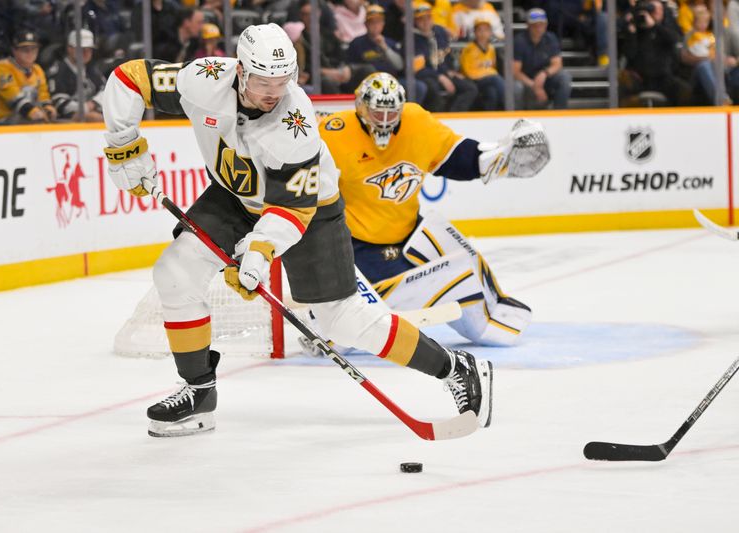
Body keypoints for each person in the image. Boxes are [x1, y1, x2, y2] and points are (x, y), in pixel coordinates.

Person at [101, 23, 493, 437]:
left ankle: (455, 367)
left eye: (282, 81)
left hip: (310, 211)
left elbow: (292, 209)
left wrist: (257, 252)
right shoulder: (206, 77)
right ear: (240, 72)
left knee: (342, 319)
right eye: (263, 81)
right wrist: (123, 146)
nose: (273, 92)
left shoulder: (294, 124)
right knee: (175, 273)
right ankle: (199, 392)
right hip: (234, 196)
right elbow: (130, 77)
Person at [319, 72, 548, 347]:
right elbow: (306, 187)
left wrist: (498, 156)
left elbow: (457, 156)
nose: (384, 120)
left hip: (408, 235)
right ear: (360, 107)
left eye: (391, 113)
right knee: (459, 279)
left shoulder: (416, 121)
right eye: (376, 112)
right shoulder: (333, 132)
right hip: (359, 251)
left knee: (463, 256)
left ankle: (495, 311)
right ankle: (336, 319)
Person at [413, 1, 478, 112]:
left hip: (443, 73)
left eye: (428, 18)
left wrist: (451, 71)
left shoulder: (440, 32)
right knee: (433, 91)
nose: (425, 22)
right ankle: (436, 120)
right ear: (416, 21)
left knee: (470, 88)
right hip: (426, 76)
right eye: (421, 19)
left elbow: (447, 55)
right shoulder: (412, 39)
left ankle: (454, 117)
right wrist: (440, 77)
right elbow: (418, 69)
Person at [0, 30, 57, 124]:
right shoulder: (2, 67)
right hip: (4, 120)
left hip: (31, 118)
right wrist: (31, 111)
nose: (30, 53)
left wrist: (48, 107)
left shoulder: (37, 69)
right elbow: (12, 97)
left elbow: (43, 94)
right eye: (25, 49)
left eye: (34, 48)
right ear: (14, 50)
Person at [513, 8, 572, 109]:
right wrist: (534, 85)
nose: (538, 28)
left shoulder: (551, 38)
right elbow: (515, 71)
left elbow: (557, 63)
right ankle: (517, 118)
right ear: (528, 25)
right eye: (535, 25)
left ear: (546, 25)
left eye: (541, 24)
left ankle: (560, 115)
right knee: (516, 87)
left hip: (544, 79)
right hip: (526, 81)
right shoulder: (519, 41)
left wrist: (544, 73)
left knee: (564, 77)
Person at [47, 30, 107, 122]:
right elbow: (59, 104)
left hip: (95, 112)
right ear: (69, 48)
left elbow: (107, 91)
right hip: (66, 121)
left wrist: (94, 104)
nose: (86, 53)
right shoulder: (59, 70)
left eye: (89, 49)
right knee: (93, 118)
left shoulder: (92, 69)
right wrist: (86, 109)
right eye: (81, 49)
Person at [459, 19, 505, 110]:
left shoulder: (491, 49)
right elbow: (468, 72)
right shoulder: (469, 49)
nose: (483, 33)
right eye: (480, 30)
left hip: (487, 80)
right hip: (472, 81)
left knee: (492, 92)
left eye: (486, 30)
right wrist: (489, 73)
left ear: (490, 32)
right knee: (496, 79)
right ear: (475, 32)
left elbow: (492, 66)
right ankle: (510, 107)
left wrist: (489, 72)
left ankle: (491, 117)